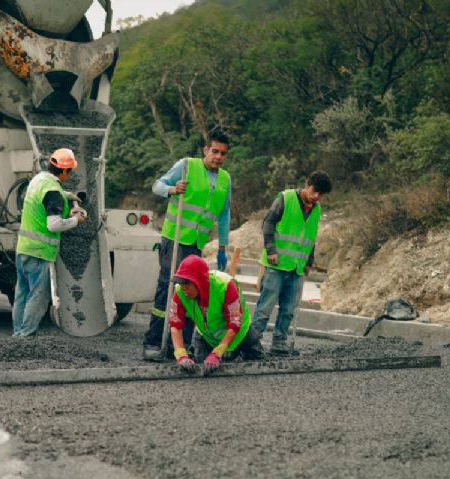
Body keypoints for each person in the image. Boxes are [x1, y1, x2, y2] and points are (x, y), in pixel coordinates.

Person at [142, 131, 233, 360]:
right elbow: (157, 185)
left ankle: (180, 347)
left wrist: (223, 247)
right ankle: (154, 342)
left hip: (196, 244)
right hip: (175, 239)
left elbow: (224, 215)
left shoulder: (225, 180)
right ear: (206, 150)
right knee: (167, 290)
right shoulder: (186, 166)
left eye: (223, 153)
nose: (218, 157)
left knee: (192, 292)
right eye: (215, 151)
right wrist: (172, 189)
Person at [251, 170, 332, 354]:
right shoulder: (285, 198)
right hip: (275, 264)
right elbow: (268, 223)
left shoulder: (316, 209)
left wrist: (309, 261)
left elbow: (310, 236)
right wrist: (270, 249)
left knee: (288, 310)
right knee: (265, 308)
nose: (316, 196)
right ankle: (252, 343)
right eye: (314, 191)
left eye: (321, 194)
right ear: (307, 183)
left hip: (297, 268)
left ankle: (279, 344)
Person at [12, 148, 88, 337]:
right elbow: (53, 225)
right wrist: (75, 220)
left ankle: (17, 335)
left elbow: (48, 195)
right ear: (64, 171)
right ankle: (26, 337)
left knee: (21, 295)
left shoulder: (38, 180)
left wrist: (69, 196)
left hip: (23, 249)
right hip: (40, 252)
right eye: (69, 172)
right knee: (37, 296)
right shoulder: (53, 191)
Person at [168, 254, 264, 373]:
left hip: (238, 332)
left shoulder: (225, 285)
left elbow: (235, 323)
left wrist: (217, 353)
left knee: (257, 357)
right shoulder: (179, 291)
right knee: (200, 365)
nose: (183, 288)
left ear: (198, 282)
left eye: (186, 283)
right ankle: (228, 353)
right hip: (207, 335)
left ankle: (235, 351)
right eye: (180, 283)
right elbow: (175, 325)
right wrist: (181, 355)